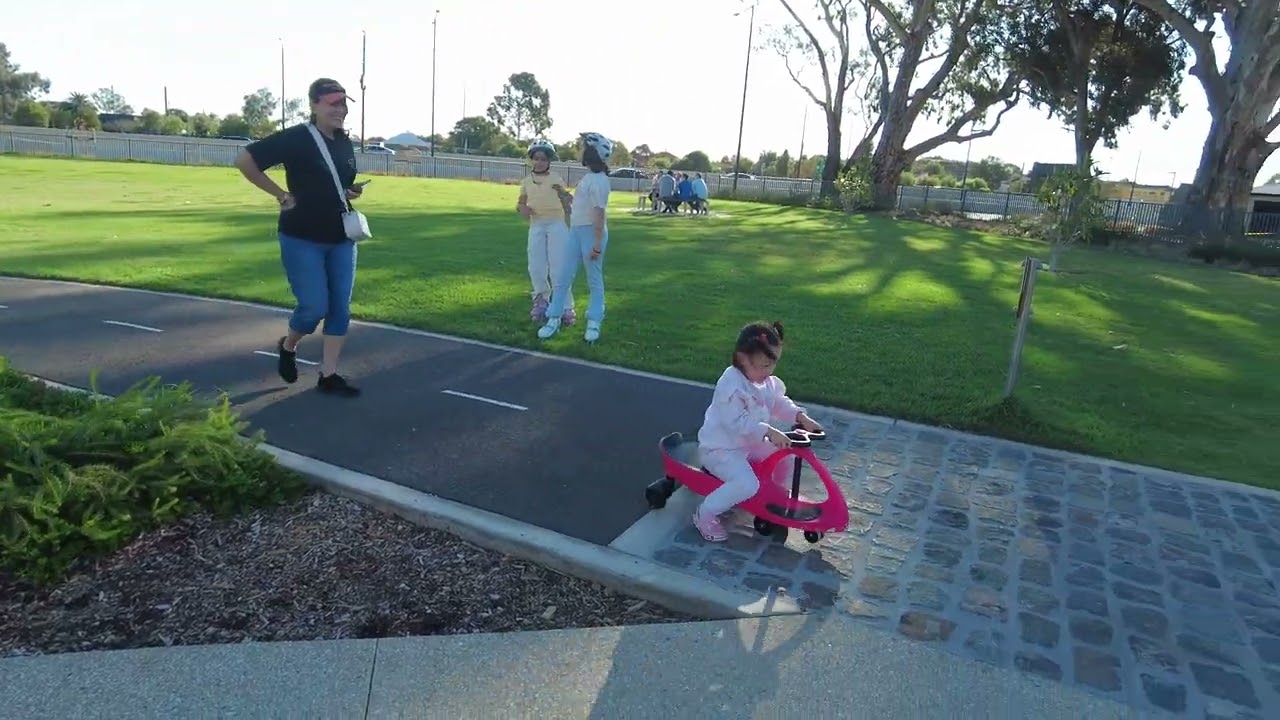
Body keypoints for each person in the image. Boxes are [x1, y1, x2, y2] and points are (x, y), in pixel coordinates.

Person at [233, 77, 365, 398]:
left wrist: (349, 191)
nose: (341, 110)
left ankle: (328, 374)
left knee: (340, 309)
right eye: (334, 103)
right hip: (302, 236)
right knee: (312, 308)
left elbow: (332, 182)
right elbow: (244, 160)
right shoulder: (296, 138)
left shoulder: (344, 142)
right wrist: (280, 194)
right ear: (315, 105)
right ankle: (289, 345)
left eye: (344, 103)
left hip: (341, 237)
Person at [691, 321, 824, 542]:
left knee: (784, 456)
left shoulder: (766, 381)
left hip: (750, 444)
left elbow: (779, 402)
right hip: (721, 448)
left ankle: (773, 495)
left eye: (772, 365)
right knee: (746, 483)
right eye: (763, 366)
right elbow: (737, 423)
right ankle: (705, 514)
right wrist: (768, 431)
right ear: (743, 358)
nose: (769, 372)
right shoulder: (731, 386)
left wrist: (800, 416)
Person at [538, 132, 613, 344]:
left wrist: (597, 243)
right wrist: (563, 196)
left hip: (591, 233)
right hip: (576, 232)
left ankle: (594, 322)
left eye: (583, 147)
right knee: (563, 276)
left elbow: (599, 214)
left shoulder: (599, 181)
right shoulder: (588, 178)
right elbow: (580, 206)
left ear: (592, 153)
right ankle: (554, 318)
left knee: (594, 279)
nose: (579, 149)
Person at [517, 139, 575, 326]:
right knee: (536, 265)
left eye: (543, 159)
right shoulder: (526, 182)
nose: (539, 162)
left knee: (558, 266)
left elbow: (565, 199)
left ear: (549, 161)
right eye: (536, 158)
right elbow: (521, 202)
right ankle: (541, 300)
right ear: (531, 160)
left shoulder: (555, 179)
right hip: (537, 225)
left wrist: (567, 199)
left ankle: (565, 306)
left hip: (556, 224)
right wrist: (522, 208)